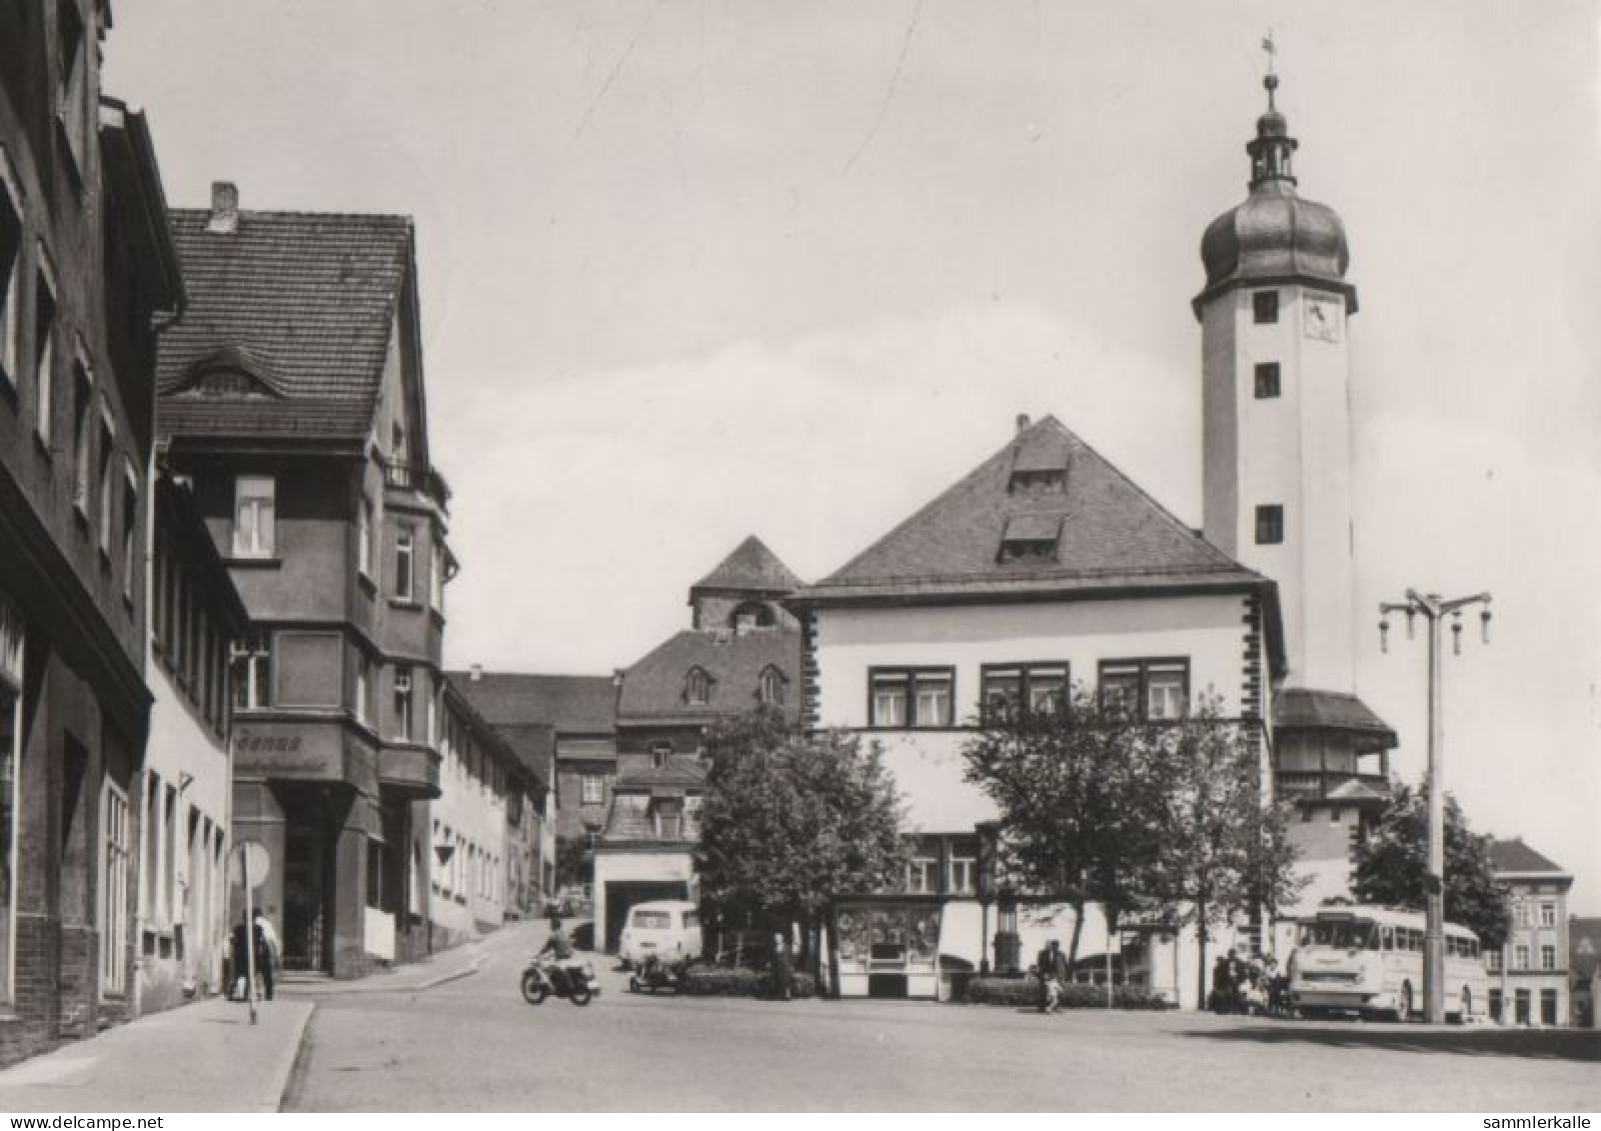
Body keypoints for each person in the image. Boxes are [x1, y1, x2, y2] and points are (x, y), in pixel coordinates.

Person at [1036, 939, 1069, 1013]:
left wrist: (1063, 975)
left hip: (1059, 976)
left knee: (1058, 992)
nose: (1055, 946)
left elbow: (1065, 964)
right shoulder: (1042, 953)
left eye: (1057, 945)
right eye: (1053, 945)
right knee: (1044, 992)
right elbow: (1040, 964)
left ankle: (1056, 1008)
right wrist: (1043, 974)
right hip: (1046, 975)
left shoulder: (1061, 954)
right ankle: (1042, 1007)